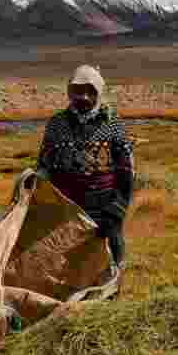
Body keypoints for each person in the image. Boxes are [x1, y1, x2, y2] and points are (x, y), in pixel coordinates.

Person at [36, 65, 135, 272]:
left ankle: (112, 292)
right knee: (66, 253)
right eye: (78, 91)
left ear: (99, 92)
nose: (84, 97)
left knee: (110, 252)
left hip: (104, 204)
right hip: (66, 204)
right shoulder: (56, 124)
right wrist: (34, 189)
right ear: (70, 92)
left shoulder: (113, 123)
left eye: (90, 91)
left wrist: (118, 207)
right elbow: (44, 164)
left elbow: (125, 170)